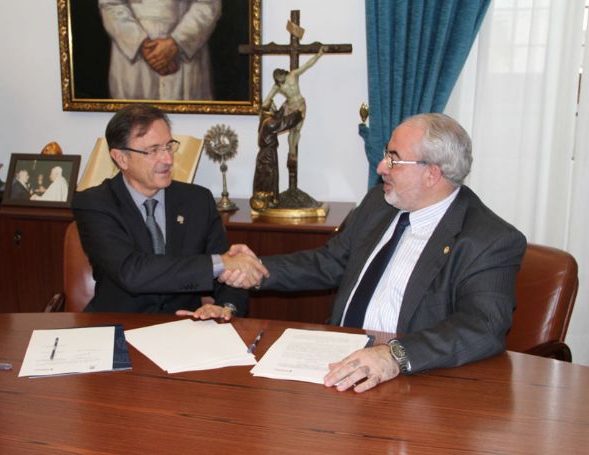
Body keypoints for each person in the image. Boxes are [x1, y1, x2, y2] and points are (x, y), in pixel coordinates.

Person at [221, 113, 527, 392]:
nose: (381, 168)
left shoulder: (489, 239)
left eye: (394, 159)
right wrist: (257, 269)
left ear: (432, 174)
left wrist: (395, 355)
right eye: (385, 155)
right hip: (337, 363)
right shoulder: (378, 204)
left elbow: (483, 326)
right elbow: (329, 262)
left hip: (415, 381)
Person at [73, 104, 267, 317]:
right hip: (118, 324)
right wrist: (220, 263)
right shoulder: (95, 203)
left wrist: (226, 308)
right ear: (121, 158)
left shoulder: (198, 201)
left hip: (184, 325)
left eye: (168, 146)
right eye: (153, 150)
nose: (167, 159)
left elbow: (230, 275)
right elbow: (132, 272)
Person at [98, 0, 221, 100]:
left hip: (184, 57)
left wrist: (177, 42)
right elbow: (110, 4)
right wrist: (141, 44)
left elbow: (209, 4)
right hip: (133, 61)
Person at [261, 46, 326, 162]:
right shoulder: (277, 87)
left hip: (300, 104)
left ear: (283, 74)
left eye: (281, 77)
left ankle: (293, 148)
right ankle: (292, 151)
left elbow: (307, 65)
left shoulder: (293, 75)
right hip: (290, 107)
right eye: (278, 79)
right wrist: (264, 108)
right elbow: (267, 99)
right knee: (292, 130)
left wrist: (319, 54)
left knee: (297, 130)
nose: (281, 80)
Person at [250, 102, 303, 211]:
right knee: (267, 177)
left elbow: (277, 117)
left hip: (268, 153)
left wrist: (284, 106)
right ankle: (265, 201)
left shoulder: (266, 119)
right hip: (267, 155)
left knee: (269, 176)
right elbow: (284, 123)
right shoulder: (269, 123)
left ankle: (270, 199)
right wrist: (298, 114)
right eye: (273, 105)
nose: (275, 106)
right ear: (269, 109)